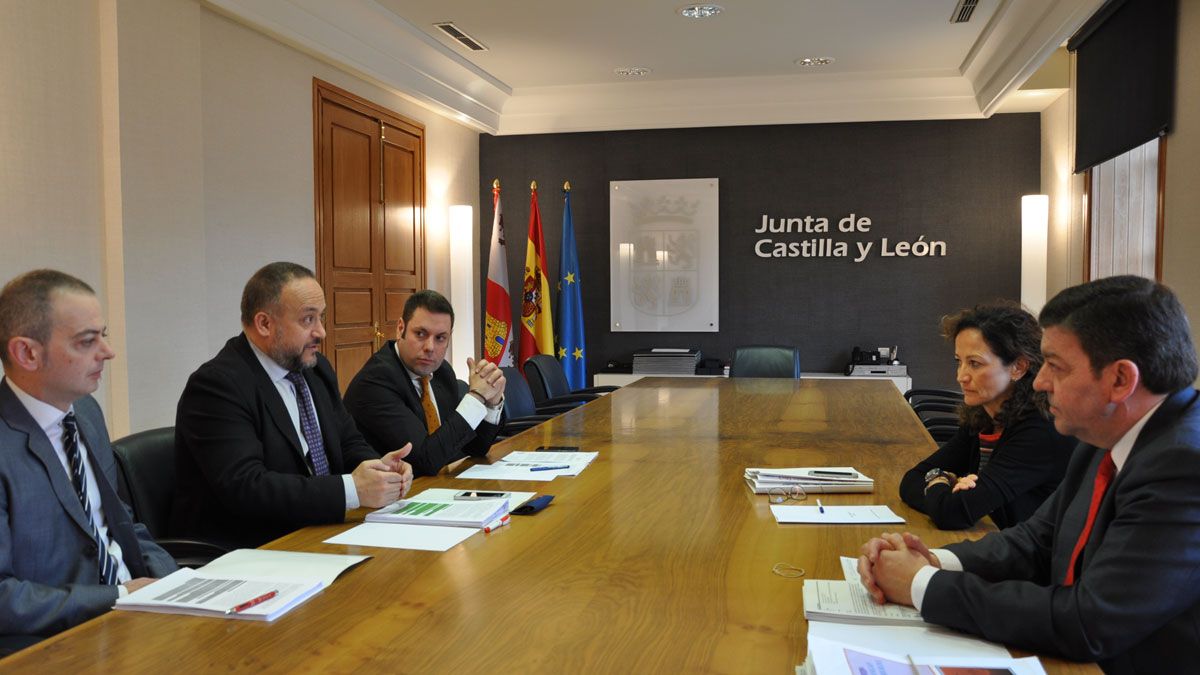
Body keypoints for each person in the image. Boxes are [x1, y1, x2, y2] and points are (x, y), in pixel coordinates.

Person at [858, 275, 1200, 673]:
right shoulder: (1102, 435)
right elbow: (1035, 542)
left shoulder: (1184, 468)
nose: (1040, 381)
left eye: (1055, 366)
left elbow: (1088, 622)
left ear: (1120, 380)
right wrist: (931, 560)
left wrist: (921, 585)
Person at [172, 262, 413, 549]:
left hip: (319, 531)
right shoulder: (217, 386)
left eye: (321, 317)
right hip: (255, 548)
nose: (322, 332)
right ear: (264, 324)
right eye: (308, 320)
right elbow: (248, 488)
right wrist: (352, 490)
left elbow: (347, 441)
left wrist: (380, 470)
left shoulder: (315, 369)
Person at [0, 270, 176, 651]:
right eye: (86, 341)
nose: (107, 352)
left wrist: (176, 581)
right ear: (27, 353)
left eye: (104, 334)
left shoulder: (86, 412)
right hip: (54, 644)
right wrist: (118, 595)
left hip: (138, 618)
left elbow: (118, 522)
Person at [899, 303, 1074, 529]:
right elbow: (911, 481)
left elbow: (952, 512)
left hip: (1032, 559)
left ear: (1018, 367)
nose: (961, 376)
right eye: (958, 361)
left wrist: (938, 482)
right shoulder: (983, 417)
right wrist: (943, 488)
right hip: (992, 545)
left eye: (974, 363)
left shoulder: (1040, 430)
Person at [344, 290, 505, 477]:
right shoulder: (376, 382)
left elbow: (474, 447)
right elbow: (425, 460)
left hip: (435, 488)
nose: (430, 347)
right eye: (420, 334)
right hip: (386, 499)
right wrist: (476, 397)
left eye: (440, 338)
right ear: (400, 328)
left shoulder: (441, 371)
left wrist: (491, 402)